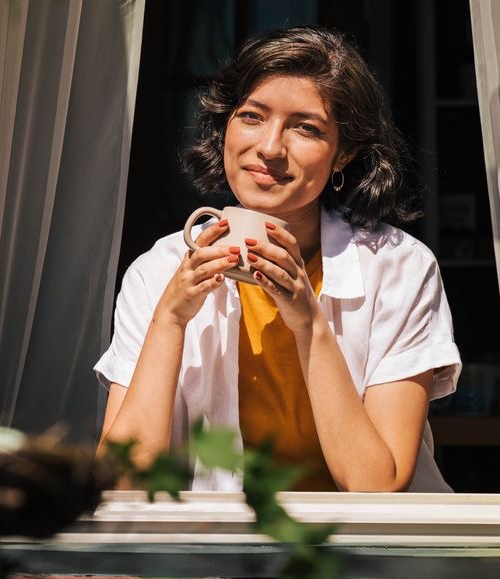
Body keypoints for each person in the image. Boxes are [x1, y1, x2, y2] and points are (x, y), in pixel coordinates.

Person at [94, 27, 461, 492]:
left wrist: (309, 322)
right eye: (252, 116)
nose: (269, 147)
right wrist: (169, 321)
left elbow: (376, 485)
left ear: (344, 152)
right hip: (221, 553)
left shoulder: (399, 267)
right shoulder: (160, 270)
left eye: (306, 128)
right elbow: (122, 484)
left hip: (365, 553)